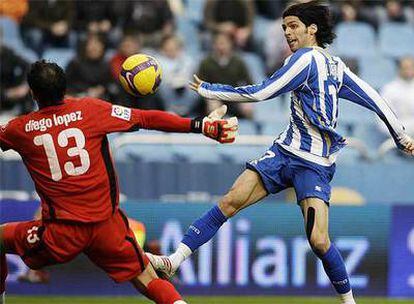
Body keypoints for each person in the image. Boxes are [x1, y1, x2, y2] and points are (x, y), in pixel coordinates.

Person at [147, 2, 414, 304]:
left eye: (293, 26)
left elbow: (262, 92)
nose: (287, 32)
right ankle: (175, 260)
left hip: (314, 165)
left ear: (312, 29)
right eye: (284, 27)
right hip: (284, 153)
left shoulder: (306, 61)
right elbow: (374, 97)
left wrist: (211, 89)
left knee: (319, 240)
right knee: (230, 200)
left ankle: (349, 302)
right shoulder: (334, 65)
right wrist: (400, 135)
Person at [0, 60, 238, 304]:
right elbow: (147, 118)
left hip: (61, 232)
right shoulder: (91, 110)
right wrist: (199, 125)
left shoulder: (21, 129)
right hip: (107, 226)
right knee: (148, 279)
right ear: (64, 88)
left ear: (32, 93)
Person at [379, 56, 414, 136]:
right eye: (406, 67)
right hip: (396, 139)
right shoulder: (388, 90)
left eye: (411, 67)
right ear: (399, 69)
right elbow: (382, 121)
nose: (409, 70)